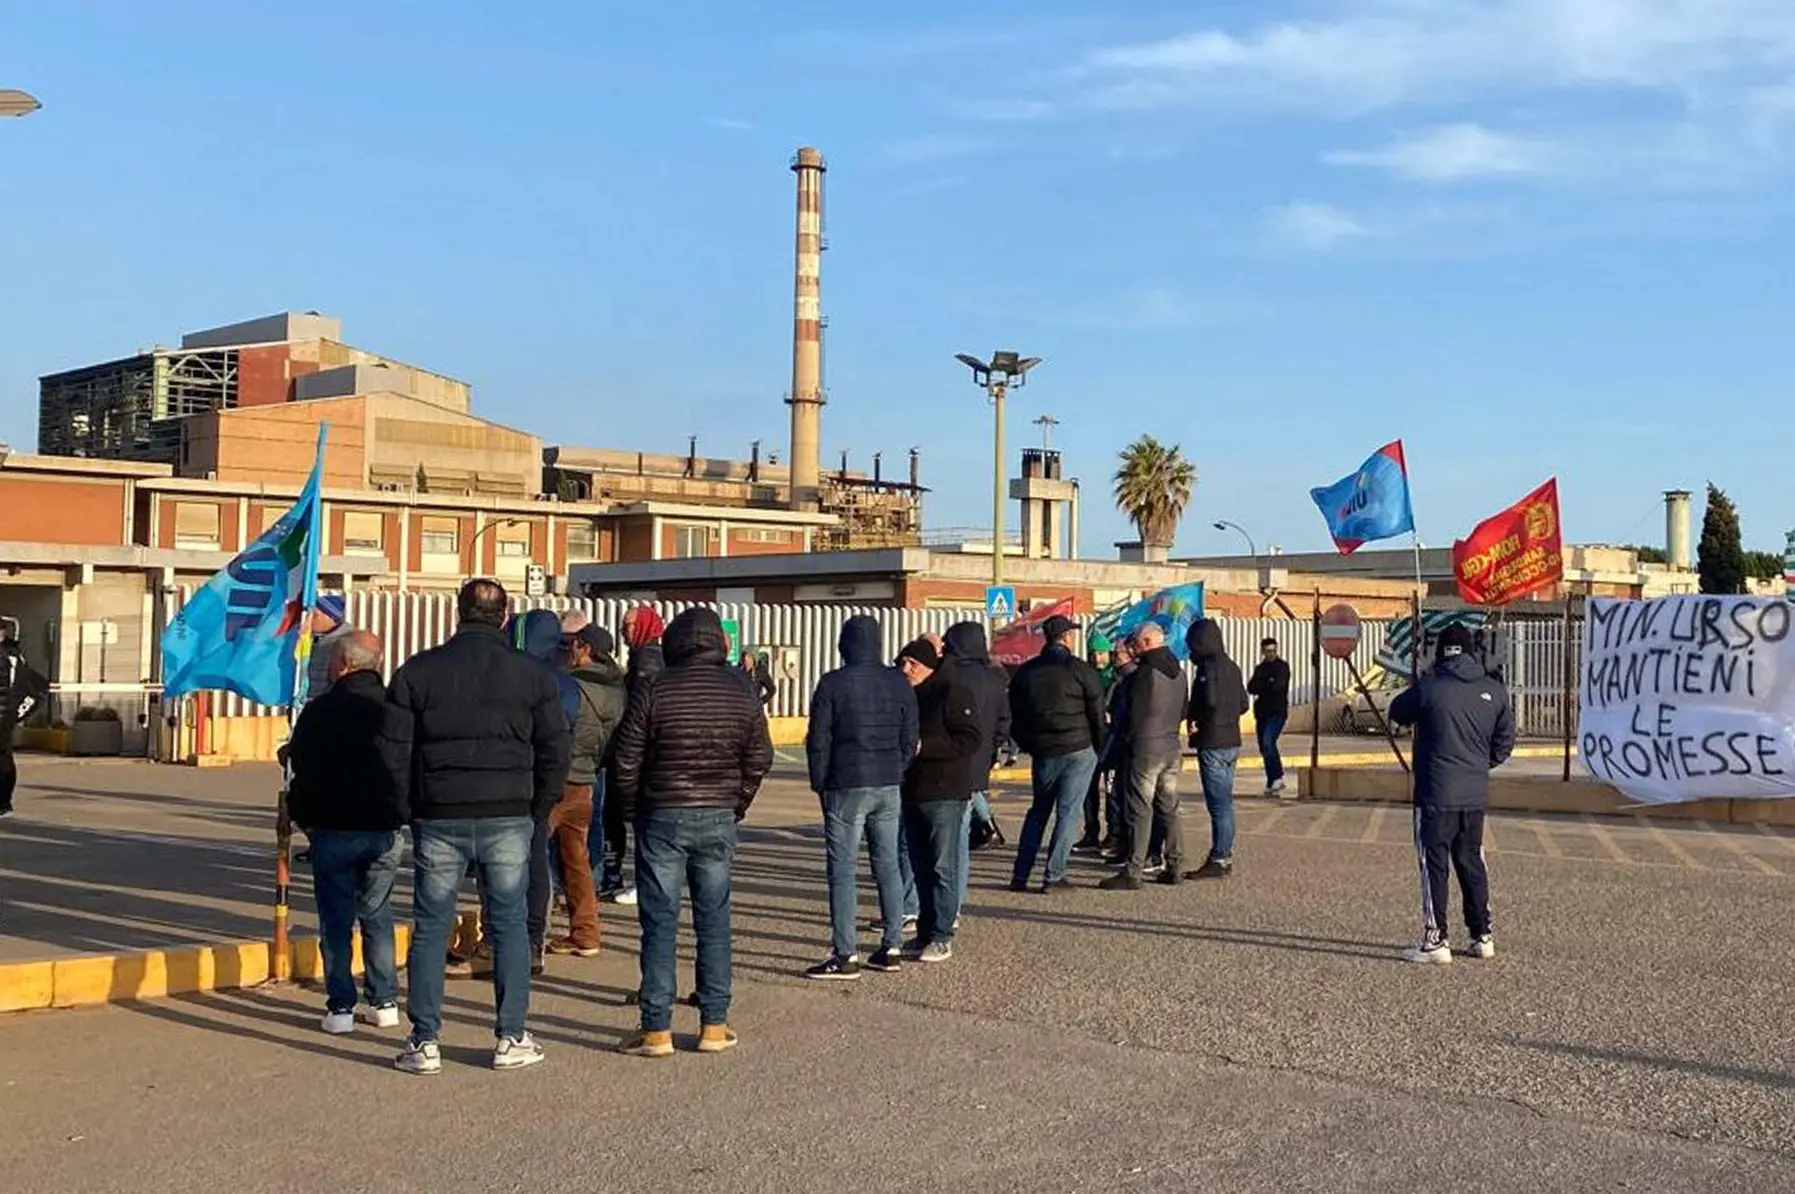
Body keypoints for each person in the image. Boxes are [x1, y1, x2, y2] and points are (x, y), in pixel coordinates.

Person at [381, 578, 570, 1075]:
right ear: (505, 617)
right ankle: (511, 1036)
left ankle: (424, 1041)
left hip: (439, 812)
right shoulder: (532, 674)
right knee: (508, 924)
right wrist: (539, 806)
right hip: (510, 811)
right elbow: (556, 748)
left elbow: (394, 751)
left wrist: (408, 807)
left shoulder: (418, 672)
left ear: (457, 614)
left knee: (431, 926)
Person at [612, 608, 773, 1057]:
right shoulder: (742, 690)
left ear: (675, 642)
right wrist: (736, 802)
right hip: (717, 813)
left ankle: (656, 1029)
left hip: (661, 813)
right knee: (714, 920)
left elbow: (626, 758)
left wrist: (633, 810)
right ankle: (714, 1025)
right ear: (719, 644)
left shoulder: (654, 687)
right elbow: (760, 756)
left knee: (660, 923)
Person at [287, 630, 407, 1035]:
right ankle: (385, 1001)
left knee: (335, 921)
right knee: (377, 913)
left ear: (343, 664)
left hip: (333, 828)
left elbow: (301, 768)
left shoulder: (320, 711)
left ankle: (340, 1007)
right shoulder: (397, 709)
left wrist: (304, 817)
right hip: (385, 827)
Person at [1389, 623, 1514, 965]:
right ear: (1471, 650)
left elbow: (1397, 711)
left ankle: (1435, 939)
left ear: (1441, 651)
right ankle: (1482, 934)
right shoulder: (1495, 689)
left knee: (1434, 864)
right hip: (1473, 793)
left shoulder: (1430, 687)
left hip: (1434, 792)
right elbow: (1505, 743)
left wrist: (1419, 678)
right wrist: (1478, 766)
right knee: (1472, 861)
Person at [803, 615, 919, 980]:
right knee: (887, 864)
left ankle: (845, 954)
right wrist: (897, 769)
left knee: (843, 870)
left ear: (844, 644)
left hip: (845, 782)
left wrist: (820, 783)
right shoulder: (898, 682)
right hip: (888, 783)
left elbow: (818, 740)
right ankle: (893, 945)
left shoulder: (832, 684)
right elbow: (910, 736)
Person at [1007, 615, 1105, 893]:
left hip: (1044, 751)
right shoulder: (1080, 670)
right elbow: (1096, 712)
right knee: (1068, 812)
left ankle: (1020, 874)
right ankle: (1054, 875)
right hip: (1078, 748)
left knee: (1038, 810)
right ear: (1066, 638)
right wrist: (1100, 746)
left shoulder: (1026, 672)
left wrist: (1030, 744)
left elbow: (1015, 714)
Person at [899, 636, 982, 962]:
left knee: (942, 867)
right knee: (919, 866)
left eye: (913, 664)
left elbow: (970, 738)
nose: (906, 669)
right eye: (902, 662)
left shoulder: (952, 692)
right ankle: (924, 931)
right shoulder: (904, 695)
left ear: (929, 667)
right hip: (912, 790)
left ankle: (942, 934)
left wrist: (925, 747)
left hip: (945, 792)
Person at [547, 623, 627, 958]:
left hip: (558, 779)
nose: (570, 651)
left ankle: (530, 933)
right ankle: (586, 932)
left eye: (575, 645)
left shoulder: (572, 686)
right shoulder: (617, 688)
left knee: (530, 855)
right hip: (587, 778)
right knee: (576, 856)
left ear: (586, 649)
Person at [1101, 622, 1186, 891]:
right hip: (1171, 744)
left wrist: (1125, 737)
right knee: (1169, 807)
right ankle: (1175, 865)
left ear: (1148, 642)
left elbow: (1131, 715)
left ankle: (1133, 869)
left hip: (1145, 747)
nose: (1133, 648)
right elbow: (1183, 709)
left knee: (1140, 808)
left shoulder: (1143, 674)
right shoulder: (1179, 672)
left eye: (1136, 643)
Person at [598, 605, 665, 907]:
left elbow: (637, 714)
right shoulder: (646, 658)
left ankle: (637, 881)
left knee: (632, 820)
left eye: (628, 625)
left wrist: (626, 753)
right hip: (643, 756)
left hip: (637, 757)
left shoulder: (646, 662)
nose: (623, 631)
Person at [941, 622, 1011, 912]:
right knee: (959, 837)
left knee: (940, 838)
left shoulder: (946, 675)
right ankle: (953, 904)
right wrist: (992, 753)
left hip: (944, 762)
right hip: (978, 762)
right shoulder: (993, 678)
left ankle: (933, 905)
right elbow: (1003, 722)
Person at [1181, 619, 1250, 881]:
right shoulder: (1232, 666)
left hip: (1212, 742)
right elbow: (1243, 703)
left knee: (1218, 805)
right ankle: (1224, 854)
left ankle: (1219, 857)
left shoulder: (1207, 668)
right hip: (1232, 740)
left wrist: (1198, 718)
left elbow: (1208, 700)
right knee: (1225, 803)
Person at [1093, 638, 1136, 857]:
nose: (1113, 656)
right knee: (1114, 792)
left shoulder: (1128, 679)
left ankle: (1119, 837)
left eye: (1116, 652)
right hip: (1112, 743)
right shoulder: (1118, 678)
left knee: (1118, 794)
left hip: (1119, 745)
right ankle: (1116, 834)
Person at [0, 632, 47, 819]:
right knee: (4, 758)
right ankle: (4, 803)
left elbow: (20, 685)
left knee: (3, 758)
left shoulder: (8, 656)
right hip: (6, 716)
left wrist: (13, 714)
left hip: (3, 715)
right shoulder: (14, 655)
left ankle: (4, 802)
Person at [1248, 637, 1292, 795]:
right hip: (1262, 713)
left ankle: (1278, 777)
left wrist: (1264, 684)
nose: (1271, 654)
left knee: (1268, 741)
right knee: (1263, 747)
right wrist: (1266, 682)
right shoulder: (1260, 668)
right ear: (1262, 652)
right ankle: (1271, 781)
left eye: (1273, 651)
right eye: (1268, 651)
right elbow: (1251, 687)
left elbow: (1277, 687)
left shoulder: (1282, 667)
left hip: (1277, 712)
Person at [305, 594, 355, 703]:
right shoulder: (309, 637)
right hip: (309, 702)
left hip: (330, 705)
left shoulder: (347, 642)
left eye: (315, 615)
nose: (309, 620)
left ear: (330, 617)